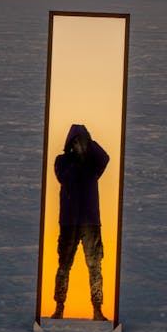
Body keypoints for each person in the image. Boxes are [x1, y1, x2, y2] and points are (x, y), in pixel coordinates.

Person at [52, 124, 109, 321]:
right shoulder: (62, 161)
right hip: (69, 222)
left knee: (95, 266)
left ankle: (97, 310)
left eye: (81, 141)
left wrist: (89, 144)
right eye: (76, 141)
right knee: (64, 265)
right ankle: (59, 308)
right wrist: (77, 159)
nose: (79, 145)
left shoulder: (93, 162)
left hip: (91, 222)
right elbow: (64, 178)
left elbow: (105, 158)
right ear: (69, 144)